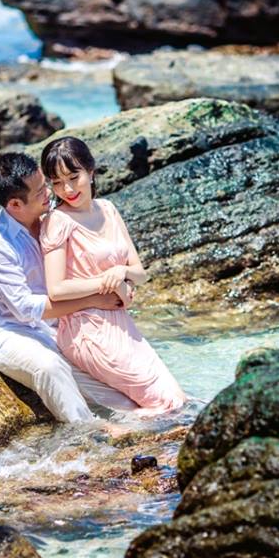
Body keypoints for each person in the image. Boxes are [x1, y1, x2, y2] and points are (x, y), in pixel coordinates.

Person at [0, 151, 141, 423]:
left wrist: (123, 281)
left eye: (45, 185)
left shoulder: (52, 216)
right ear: (15, 204)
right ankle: (89, 436)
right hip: (9, 333)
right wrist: (94, 300)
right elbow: (25, 309)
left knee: (122, 398)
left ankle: (151, 426)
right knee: (50, 367)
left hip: (54, 328)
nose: (50, 193)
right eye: (40, 191)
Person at [40, 136, 187, 412]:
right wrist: (107, 284)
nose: (67, 189)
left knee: (176, 400)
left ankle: (116, 434)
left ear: (90, 170)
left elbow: (140, 274)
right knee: (168, 404)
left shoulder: (108, 209)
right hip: (86, 329)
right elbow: (56, 289)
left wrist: (121, 272)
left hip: (122, 325)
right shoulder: (57, 221)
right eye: (57, 182)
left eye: (73, 177)